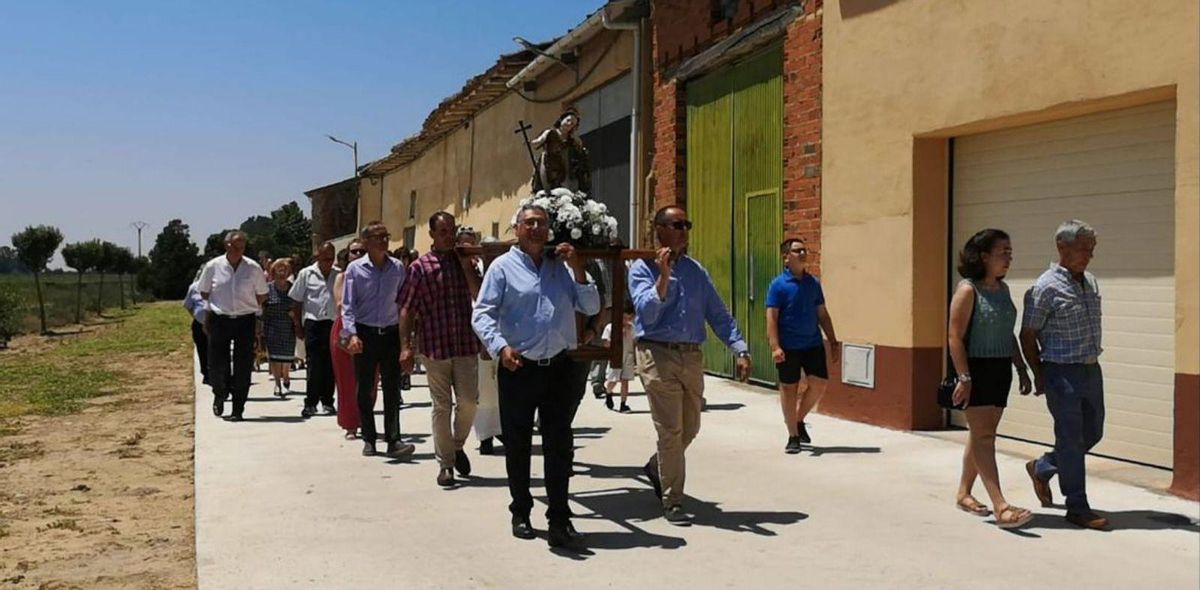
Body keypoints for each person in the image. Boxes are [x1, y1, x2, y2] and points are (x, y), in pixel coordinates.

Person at [471, 203, 599, 549]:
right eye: (529, 223)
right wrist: (500, 347)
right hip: (519, 367)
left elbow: (590, 307)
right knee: (519, 444)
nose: (536, 228)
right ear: (517, 229)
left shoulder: (562, 266)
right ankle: (521, 510)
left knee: (559, 446)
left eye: (542, 223)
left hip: (558, 367)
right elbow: (481, 314)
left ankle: (559, 517)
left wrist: (579, 268)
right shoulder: (502, 268)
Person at [629, 205, 751, 525]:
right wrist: (664, 277)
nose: (684, 230)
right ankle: (673, 501)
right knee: (670, 430)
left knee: (691, 427)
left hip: (691, 356)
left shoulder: (697, 271)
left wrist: (739, 348)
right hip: (657, 354)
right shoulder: (642, 268)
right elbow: (646, 312)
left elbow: (717, 313)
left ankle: (657, 465)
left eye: (687, 224)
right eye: (677, 224)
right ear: (659, 230)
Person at [1020, 220, 1108, 530]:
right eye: (1084, 249)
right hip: (1062, 373)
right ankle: (1077, 506)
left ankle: (1043, 466)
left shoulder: (1091, 282)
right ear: (1062, 248)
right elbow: (1027, 335)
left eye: (1091, 249)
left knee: (1093, 432)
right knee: (1070, 438)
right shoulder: (1044, 287)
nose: (1089, 255)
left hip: (1090, 369)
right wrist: (1039, 374)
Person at [947, 229, 1033, 529]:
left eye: (1010, 251)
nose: (1009, 257)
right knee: (984, 436)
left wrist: (1021, 367)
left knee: (979, 434)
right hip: (975, 369)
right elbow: (954, 336)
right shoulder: (968, 290)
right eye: (1003, 252)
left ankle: (963, 493)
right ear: (983, 256)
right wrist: (964, 377)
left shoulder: (1003, 289)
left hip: (1000, 370)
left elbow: (1005, 331)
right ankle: (1001, 505)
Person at [400, 213, 483, 489]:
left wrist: (466, 266)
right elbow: (407, 309)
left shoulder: (466, 262)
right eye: (444, 231)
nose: (449, 235)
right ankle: (446, 464)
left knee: (470, 401)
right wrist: (406, 347)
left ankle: (457, 445)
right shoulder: (420, 268)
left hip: (464, 344)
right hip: (435, 346)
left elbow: (479, 296)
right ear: (432, 234)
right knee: (441, 406)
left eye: (452, 230)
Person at [342, 221, 415, 459]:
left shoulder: (397, 268)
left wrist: (407, 341)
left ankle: (393, 439)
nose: (384, 241)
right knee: (365, 389)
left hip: (391, 333)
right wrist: (351, 334)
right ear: (365, 242)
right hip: (365, 334)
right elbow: (348, 305)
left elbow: (405, 304)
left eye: (386, 236)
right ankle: (369, 439)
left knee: (392, 389)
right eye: (378, 237)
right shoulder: (355, 269)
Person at [765, 237, 841, 454]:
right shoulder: (778, 285)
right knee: (789, 388)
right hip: (788, 346)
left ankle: (798, 420)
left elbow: (822, 314)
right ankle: (793, 436)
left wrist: (833, 341)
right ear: (786, 257)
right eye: (797, 251)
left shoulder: (813, 284)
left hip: (812, 343)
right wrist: (775, 346)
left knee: (819, 384)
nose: (802, 254)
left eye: (804, 250)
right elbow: (771, 317)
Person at [200, 230, 268, 421]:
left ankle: (238, 409)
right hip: (219, 319)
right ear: (226, 245)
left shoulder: (253, 268)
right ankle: (220, 394)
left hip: (245, 319)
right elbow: (204, 292)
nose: (239, 250)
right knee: (217, 363)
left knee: (243, 365)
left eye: (242, 246)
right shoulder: (213, 266)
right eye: (236, 246)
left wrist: (257, 317)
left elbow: (262, 295)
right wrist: (207, 316)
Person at [331, 241, 376, 439]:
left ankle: (365, 420)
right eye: (353, 251)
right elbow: (340, 303)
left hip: (369, 326)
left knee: (371, 379)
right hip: (346, 329)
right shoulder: (342, 277)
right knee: (346, 379)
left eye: (362, 251)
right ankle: (350, 423)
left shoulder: (375, 275)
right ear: (347, 255)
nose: (357, 254)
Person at [290, 242, 340, 418]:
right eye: (325, 258)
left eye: (331, 258)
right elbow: (296, 301)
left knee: (331, 365)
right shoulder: (306, 274)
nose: (328, 262)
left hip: (333, 324)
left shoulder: (338, 274)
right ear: (317, 256)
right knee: (314, 365)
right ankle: (310, 403)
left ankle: (328, 401)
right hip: (313, 324)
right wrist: (297, 325)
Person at [471, 236, 503, 456]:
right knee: (483, 394)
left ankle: (502, 431)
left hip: (505, 341)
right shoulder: (478, 276)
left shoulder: (504, 272)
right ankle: (485, 437)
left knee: (501, 393)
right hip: (480, 342)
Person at [262, 259, 299, 398]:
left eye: (285, 269)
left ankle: (286, 374)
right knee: (275, 357)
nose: (282, 272)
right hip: (272, 326)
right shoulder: (268, 288)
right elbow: (263, 306)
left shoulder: (292, 288)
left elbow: (298, 305)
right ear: (273, 271)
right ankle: (277, 383)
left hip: (288, 327)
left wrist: (294, 315)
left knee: (287, 356)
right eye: (279, 269)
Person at [602, 300, 636, 413]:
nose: (627, 321)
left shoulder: (632, 328)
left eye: (629, 318)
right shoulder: (610, 327)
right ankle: (608, 393)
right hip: (615, 357)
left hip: (628, 357)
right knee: (613, 380)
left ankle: (623, 404)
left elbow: (635, 341)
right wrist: (615, 338)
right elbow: (605, 344)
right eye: (624, 318)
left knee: (625, 381)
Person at [183, 272, 209, 385]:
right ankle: (206, 373)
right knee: (202, 349)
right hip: (199, 324)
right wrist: (196, 316)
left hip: (215, 323)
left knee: (216, 349)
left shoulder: (216, 285)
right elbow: (187, 305)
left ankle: (216, 373)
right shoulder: (193, 287)